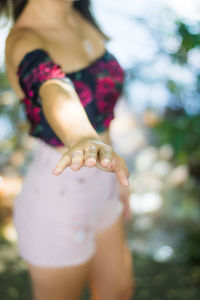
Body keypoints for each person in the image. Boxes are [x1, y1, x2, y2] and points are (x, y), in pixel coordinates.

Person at [1, 0, 135, 299]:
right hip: (59, 199)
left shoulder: (78, 11)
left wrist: (112, 167)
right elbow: (53, 86)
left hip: (103, 183)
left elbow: (101, 108)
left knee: (119, 292)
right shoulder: (24, 40)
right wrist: (82, 139)